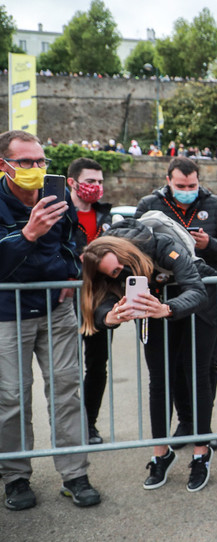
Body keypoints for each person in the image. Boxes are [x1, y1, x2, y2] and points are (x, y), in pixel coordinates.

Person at [0, 130, 101, 510]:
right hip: (8, 313)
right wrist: (27, 234)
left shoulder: (55, 196)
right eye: (26, 162)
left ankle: (75, 474)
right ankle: (15, 478)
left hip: (56, 310)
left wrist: (72, 276)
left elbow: (72, 243)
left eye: (41, 161)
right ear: (4, 165)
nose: (36, 168)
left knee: (66, 390)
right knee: (11, 397)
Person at [80, 219, 217, 492]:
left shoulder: (160, 244)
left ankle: (201, 453)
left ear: (126, 252)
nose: (119, 275)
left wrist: (166, 308)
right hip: (151, 308)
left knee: (197, 375)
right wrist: (108, 315)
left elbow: (197, 289)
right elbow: (98, 299)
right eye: (113, 274)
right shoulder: (104, 262)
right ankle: (160, 453)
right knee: (159, 379)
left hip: (196, 304)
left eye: (120, 268)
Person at [135, 156, 217, 450]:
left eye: (192, 185)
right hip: (165, 296)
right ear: (168, 180)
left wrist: (208, 245)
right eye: (181, 185)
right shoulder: (149, 205)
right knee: (174, 365)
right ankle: (186, 422)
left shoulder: (215, 205)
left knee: (204, 365)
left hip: (207, 295)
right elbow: (135, 247)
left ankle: (203, 427)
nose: (187, 189)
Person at [67, 157, 113, 445]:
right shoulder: (58, 213)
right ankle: (68, 429)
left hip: (98, 300)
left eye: (99, 182)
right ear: (72, 182)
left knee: (97, 365)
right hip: (64, 299)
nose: (96, 187)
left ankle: (88, 424)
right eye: (90, 181)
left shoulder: (107, 217)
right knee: (64, 370)